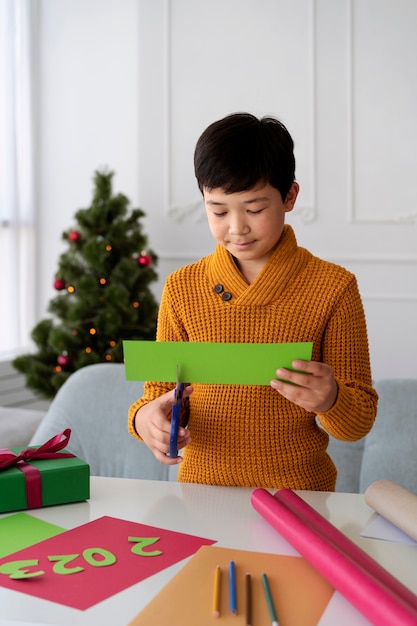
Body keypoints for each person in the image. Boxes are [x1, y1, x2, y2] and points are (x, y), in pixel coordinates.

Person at [128, 112, 378, 491]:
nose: (237, 226)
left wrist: (332, 398)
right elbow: (158, 395)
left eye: (255, 209)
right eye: (218, 210)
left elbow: (357, 423)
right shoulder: (182, 288)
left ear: (290, 196)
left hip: (300, 498)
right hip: (201, 495)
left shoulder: (334, 288)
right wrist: (145, 419)